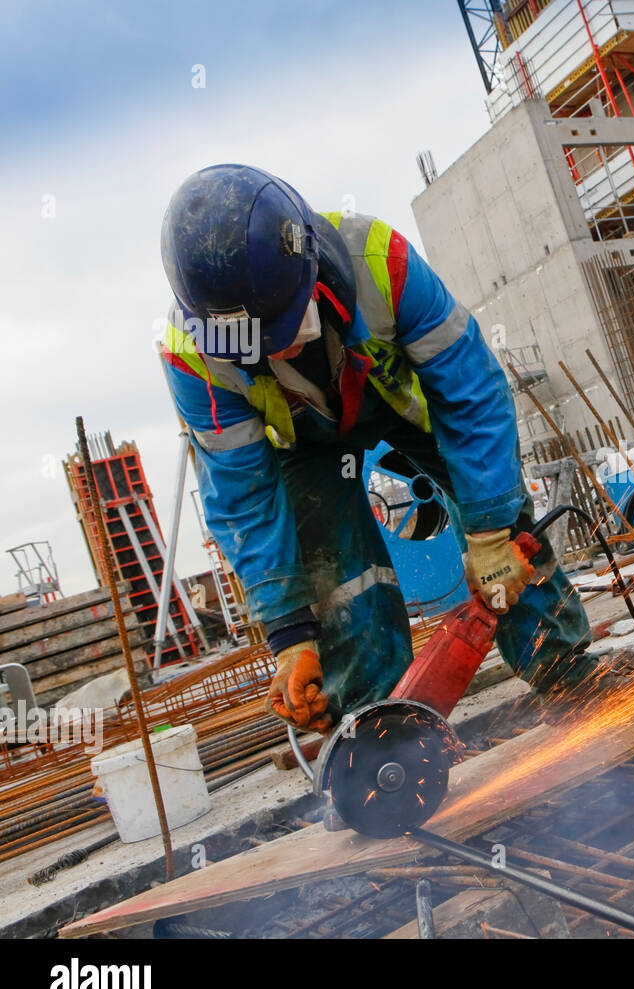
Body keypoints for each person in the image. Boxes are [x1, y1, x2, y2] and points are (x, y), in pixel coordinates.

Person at [158, 164, 607, 733]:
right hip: (303, 444)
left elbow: (469, 390)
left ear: (311, 264)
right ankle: (385, 727)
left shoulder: (380, 261)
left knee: (503, 532)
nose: (281, 351)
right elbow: (243, 496)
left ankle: (568, 674)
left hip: (400, 405)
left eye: (283, 326)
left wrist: (490, 529)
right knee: (335, 570)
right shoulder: (193, 355)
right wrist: (290, 637)